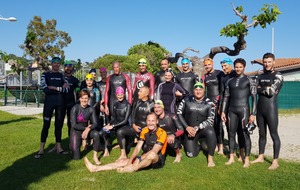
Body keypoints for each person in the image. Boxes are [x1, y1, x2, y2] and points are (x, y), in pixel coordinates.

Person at [84, 113, 168, 173]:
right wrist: (130, 161)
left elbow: (154, 151)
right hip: (144, 157)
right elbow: (138, 147)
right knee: (122, 161)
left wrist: (138, 161)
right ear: (146, 121)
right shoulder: (145, 130)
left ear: (157, 122)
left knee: (151, 155)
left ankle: (133, 168)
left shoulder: (162, 133)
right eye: (149, 121)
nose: (150, 123)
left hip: (157, 160)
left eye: (153, 121)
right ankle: (95, 168)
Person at [221, 58, 257, 168]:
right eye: (236, 67)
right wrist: (223, 111)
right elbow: (226, 97)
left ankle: (246, 159)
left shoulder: (249, 80)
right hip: (231, 110)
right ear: (234, 66)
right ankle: (231, 157)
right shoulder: (229, 81)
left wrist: (253, 113)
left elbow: (255, 98)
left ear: (244, 67)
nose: (238, 69)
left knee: (245, 134)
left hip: (244, 110)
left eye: (240, 67)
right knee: (231, 134)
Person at [251, 53, 283, 170]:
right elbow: (253, 90)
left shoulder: (278, 75)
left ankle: (275, 161)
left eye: (269, 62)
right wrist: (263, 89)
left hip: (271, 109)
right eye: (265, 62)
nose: (267, 64)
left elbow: (271, 91)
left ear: (274, 62)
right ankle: (261, 156)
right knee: (261, 134)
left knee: (274, 134)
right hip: (260, 109)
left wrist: (260, 89)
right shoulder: (260, 76)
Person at [35, 57, 69, 159]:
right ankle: (41, 149)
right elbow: (45, 90)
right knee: (46, 125)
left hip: (60, 103)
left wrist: (54, 88)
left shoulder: (62, 75)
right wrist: (60, 89)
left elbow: (67, 90)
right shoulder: (45, 75)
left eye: (58, 63)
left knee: (58, 126)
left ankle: (59, 147)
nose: (56, 65)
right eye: (54, 63)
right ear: (51, 64)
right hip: (49, 103)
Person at [177, 82, 217, 167]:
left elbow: (210, 120)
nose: (198, 91)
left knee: (211, 131)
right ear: (193, 90)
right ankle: (200, 146)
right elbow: (179, 113)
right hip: (189, 130)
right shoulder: (186, 100)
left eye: (200, 89)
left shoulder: (209, 103)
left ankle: (210, 158)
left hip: (202, 129)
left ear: (204, 91)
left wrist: (196, 128)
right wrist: (187, 127)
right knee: (191, 155)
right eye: (196, 89)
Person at [116, 86, 154, 156]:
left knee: (145, 148)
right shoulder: (137, 103)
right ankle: (123, 155)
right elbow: (132, 115)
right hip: (135, 128)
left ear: (146, 94)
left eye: (140, 91)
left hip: (146, 130)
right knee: (120, 132)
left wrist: (146, 129)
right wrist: (134, 125)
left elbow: (153, 121)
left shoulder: (151, 105)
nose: (138, 93)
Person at [70, 90, 101, 165]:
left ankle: (95, 156)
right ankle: (74, 145)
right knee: (76, 157)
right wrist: (86, 129)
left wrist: (88, 129)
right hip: (76, 131)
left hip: (86, 130)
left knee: (96, 134)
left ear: (89, 99)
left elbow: (95, 123)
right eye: (82, 98)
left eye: (86, 98)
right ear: (80, 99)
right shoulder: (75, 108)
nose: (84, 100)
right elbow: (74, 125)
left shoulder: (91, 109)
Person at [99, 86, 131, 160]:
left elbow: (125, 121)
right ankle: (106, 150)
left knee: (120, 132)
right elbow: (114, 118)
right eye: (118, 95)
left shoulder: (128, 105)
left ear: (124, 94)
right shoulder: (115, 104)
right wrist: (109, 124)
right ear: (116, 95)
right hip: (115, 125)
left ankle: (123, 152)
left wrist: (112, 126)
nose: (120, 96)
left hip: (124, 126)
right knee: (101, 132)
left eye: (121, 94)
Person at [201, 58, 224, 155]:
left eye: (209, 64)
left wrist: (219, 102)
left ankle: (221, 147)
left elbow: (222, 89)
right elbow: (202, 89)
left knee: (219, 125)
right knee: (211, 125)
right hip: (209, 103)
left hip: (218, 102)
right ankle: (214, 145)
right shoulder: (204, 76)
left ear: (212, 64)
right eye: (205, 65)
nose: (207, 66)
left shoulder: (219, 73)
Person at [62, 60, 79, 136]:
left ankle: (71, 139)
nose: (68, 68)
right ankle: (58, 142)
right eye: (66, 66)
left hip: (71, 103)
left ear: (72, 68)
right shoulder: (60, 78)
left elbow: (79, 92)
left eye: (70, 67)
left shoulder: (75, 80)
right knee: (59, 122)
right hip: (61, 102)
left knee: (71, 122)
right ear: (64, 67)